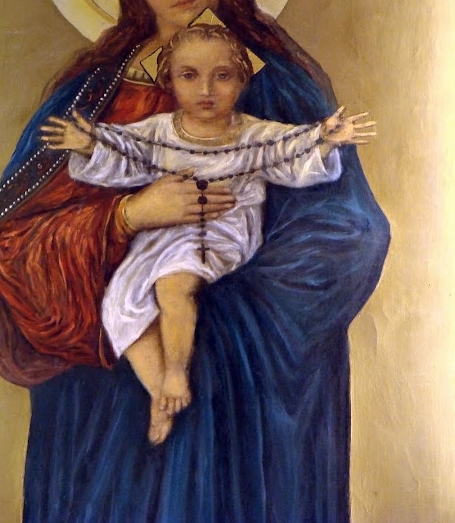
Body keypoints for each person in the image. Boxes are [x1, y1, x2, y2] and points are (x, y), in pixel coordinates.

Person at [0, 0, 390, 523]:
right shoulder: (90, 94)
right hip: (100, 391)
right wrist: (128, 216)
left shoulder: (275, 85)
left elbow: (351, 229)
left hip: (236, 370)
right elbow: (13, 241)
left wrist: (228, 303)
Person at [40, 24, 376, 445]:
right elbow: (124, 150)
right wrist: (88, 144)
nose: (206, 90)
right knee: (118, 303)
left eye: (222, 76)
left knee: (173, 286)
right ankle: (160, 392)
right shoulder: (159, 131)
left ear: (241, 80)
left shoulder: (252, 134)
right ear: (169, 80)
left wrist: (324, 140)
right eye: (189, 75)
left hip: (224, 227)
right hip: (164, 230)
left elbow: (290, 149)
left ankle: (176, 373)